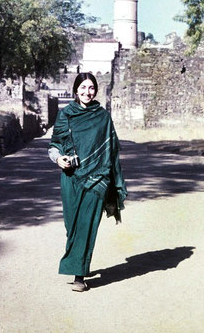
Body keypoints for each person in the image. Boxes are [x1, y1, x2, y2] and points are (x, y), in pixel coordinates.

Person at [48, 73, 127, 292]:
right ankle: (79, 260)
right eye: (83, 87)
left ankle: (79, 276)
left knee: (85, 225)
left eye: (91, 88)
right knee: (71, 225)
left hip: (97, 178)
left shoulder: (102, 116)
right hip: (71, 177)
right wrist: (59, 159)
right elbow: (54, 145)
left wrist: (110, 177)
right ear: (75, 89)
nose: (87, 92)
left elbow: (111, 149)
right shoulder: (65, 115)